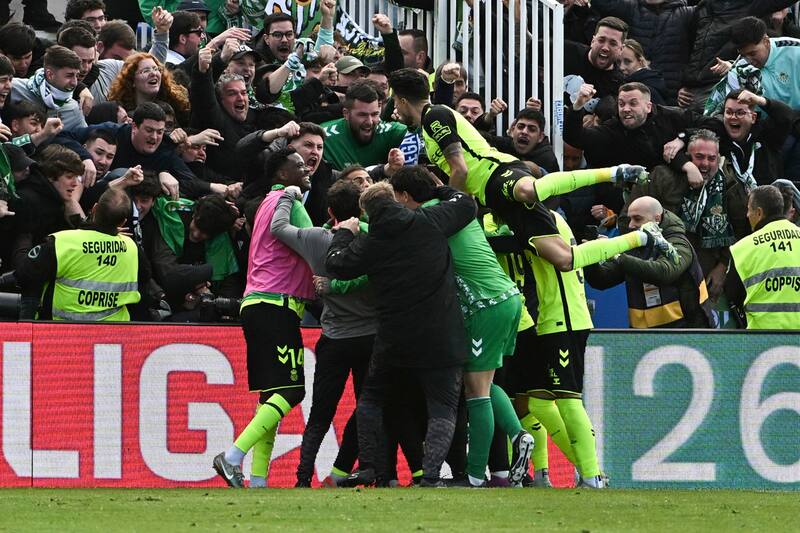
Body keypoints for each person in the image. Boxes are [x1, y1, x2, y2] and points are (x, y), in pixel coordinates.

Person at [388, 68, 678, 277]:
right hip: (494, 199)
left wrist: (457, 208)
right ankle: (643, 237)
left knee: (529, 189)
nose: (394, 111)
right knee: (564, 259)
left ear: (401, 100)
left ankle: (615, 172)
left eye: (393, 102)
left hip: (496, 173)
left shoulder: (434, 115)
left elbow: (460, 169)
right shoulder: (431, 120)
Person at [325, 182, 476, 487]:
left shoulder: (371, 242)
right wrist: (439, 189)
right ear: (395, 199)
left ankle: (369, 467)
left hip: (394, 339)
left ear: (366, 212)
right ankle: (430, 475)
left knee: (371, 399)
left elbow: (335, 264)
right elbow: (467, 204)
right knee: (442, 407)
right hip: (442, 334)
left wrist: (344, 233)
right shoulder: (429, 220)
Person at [390, 166, 533, 488]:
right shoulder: (454, 207)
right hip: (508, 298)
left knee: (475, 389)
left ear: (404, 195)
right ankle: (517, 434)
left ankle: (474, 476)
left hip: (484, 304)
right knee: (486, 379)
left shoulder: (427, 218)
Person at [212, 147, 314, 488]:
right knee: (293, 392)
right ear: (282, 174)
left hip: (256, 303)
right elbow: (314, 245)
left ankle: (258, 480)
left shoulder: (267, 203)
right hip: (277, 305)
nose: (306, 167)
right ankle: (232, 457)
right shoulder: (291, 202)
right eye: (298, 164)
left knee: (272, 396)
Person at [268, 179, 376, 488]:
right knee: (367, 405)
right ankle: (369, 467)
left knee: (320, 412)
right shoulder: (372, 238)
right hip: (371, 336)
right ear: (361, 210)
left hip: (335, 337)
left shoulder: (316, 238)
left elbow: (278, 227)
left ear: (330, 211)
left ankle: (303, 477)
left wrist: (287, 195)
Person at [14, 186, 148, 321]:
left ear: (94, 209)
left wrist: (24, 237)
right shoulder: (132, 248)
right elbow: (145, 278)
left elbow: (24, 273)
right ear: (123, 222)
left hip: (61, 331)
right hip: (114, 332)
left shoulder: (63, 243)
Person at [585, 196, 713, 328]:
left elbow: (665, 272)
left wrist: (616, 255)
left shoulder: (678, 242)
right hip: (642, 333)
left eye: (637, 219)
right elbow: (600, 280)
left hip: (686, 329)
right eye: (630, 219)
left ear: (657, 219)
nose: (631, 225)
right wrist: (590, 255)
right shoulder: (634, 242)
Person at [727, 185, 800, 329]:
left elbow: (732, 294)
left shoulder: (742, 249)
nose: (747, 215)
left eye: (749, 209)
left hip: (762, 337)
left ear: (759, 212)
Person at [320, 81, 407, 171]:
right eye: (362, 115)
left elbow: (414, 131)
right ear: (346, 113)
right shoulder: (324, 137)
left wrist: (408, 119)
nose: (369, 122)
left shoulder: (390, 132)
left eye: (374, 114)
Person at [10, 46, 87, 132]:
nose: (75, 82)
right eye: (69, 76)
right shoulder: (14, 87)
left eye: (77, 76)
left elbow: (85, 136)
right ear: (50, 74)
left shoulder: (73, 109)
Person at [107, 53, 190, 126]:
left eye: (156, 69)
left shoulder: (176, 105)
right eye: (146, 71)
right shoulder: (120, 113)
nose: (153, 73)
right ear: (132, 80)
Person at [619, 39, 667, 105]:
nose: (621, 67)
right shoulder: (617, 82)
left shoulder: (649, 89)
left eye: (628, 62)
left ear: (640, 61)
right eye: (618, 62)